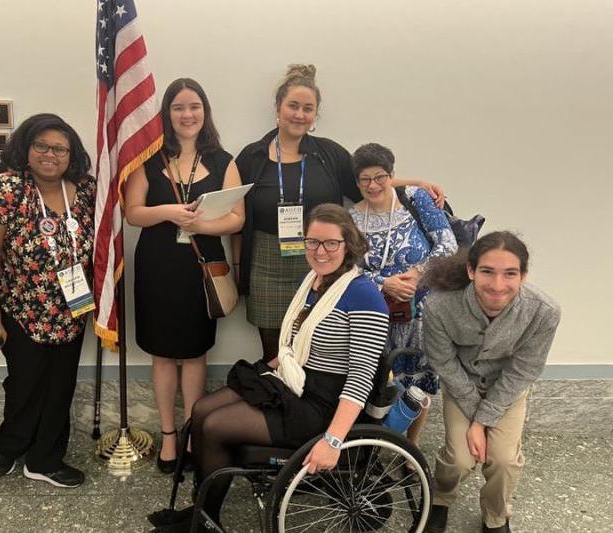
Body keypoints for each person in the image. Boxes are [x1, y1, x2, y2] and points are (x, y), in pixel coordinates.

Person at [153, 204, 390, 532]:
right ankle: (203, 511)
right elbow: (293, 345)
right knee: (202, 410)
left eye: (330, 243)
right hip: (295, 383)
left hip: (323, 405)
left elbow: (361, 379)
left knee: (215, 426)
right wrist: (264, 370)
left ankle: (206, 519)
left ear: (348, 244)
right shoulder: (313, 282)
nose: (320, 251)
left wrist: (333, 441)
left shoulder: (365, 298)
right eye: (312, 242)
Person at [233, 64, 444, 362]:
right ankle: (276, 402)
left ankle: (314, 406)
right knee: (273, 348)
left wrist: (415, 183)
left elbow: (369, 184)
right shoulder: (251, 157)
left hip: (322, 257)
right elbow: (236, 215)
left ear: (315, 115)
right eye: (293, 106)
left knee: (318, 344)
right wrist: (237, 266)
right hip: (267, 263)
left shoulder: (329, 154)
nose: (299, 114)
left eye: (308, 108)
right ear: (278, 108)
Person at [124, 78, 244, 473]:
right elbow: (133, 212)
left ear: (204, 112)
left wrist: (200, 225)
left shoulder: (225, 160)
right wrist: (170, 213)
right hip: (158, 266)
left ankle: (194, 433)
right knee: (162, 354)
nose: (187, 115)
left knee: (195, 353)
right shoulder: (150, 158)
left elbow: (236, 218)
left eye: (194, 106)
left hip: (201, 266)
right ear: (167, 114)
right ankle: (169, 437)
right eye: (178, 107)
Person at [0, 113, 95, 488]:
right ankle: (11, 445)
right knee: (26, 385)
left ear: (71, 154)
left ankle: (44, 459)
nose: (50, 154)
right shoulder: (6, 189)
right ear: (26, 149)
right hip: (21, 312)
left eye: (59, 148)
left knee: (61, 388)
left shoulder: (85, 189)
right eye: (40, 146)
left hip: (73, 311)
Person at [422, 232, 561, 533]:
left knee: (503, 460)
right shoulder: (439, 306)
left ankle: (496, 516)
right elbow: (443, 362)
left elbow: (524, 370)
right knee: (458, 460)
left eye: (510, 274)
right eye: (487, 271)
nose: (497, 286)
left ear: (523, 276)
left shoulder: (543, 312)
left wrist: (482, 421)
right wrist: (476, 419)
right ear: (471, 270)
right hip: (461, 384)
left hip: (508, 389)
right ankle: (441, 497)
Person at [349, 143, 457, 446]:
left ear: (392, 175)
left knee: (420, 378)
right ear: (356, 182)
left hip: (421, 309)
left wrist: (419, 273)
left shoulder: (415, 199)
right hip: (377, 311)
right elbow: (350, 269)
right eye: (365, 179)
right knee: (382, 379)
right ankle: (381, 438)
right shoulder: (353, 218)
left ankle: (413, 442)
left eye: (380, 177)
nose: (373, 185)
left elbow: (447, 246)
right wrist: (385, 283)